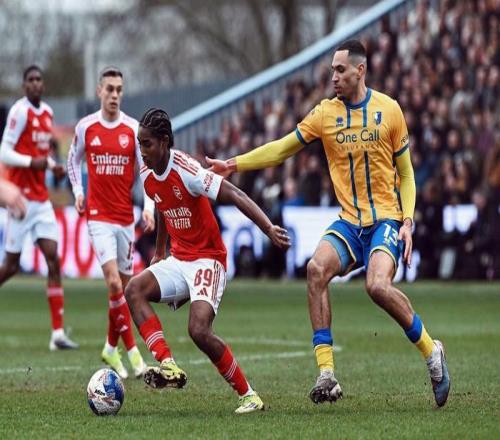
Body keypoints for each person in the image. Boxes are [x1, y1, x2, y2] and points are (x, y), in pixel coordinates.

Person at [206, 40, 450, 407]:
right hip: (349, 222)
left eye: (340, 70)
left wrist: (407, 220)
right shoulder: (325, 114)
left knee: (377, 286)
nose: (333, 77)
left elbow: (406, 174)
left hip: (385, 219)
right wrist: (233, 164)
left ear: (360, 71)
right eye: (332, 70)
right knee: (315, 269)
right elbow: (282, 148)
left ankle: (432, 352)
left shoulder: (389, 110)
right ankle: (326, 374)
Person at [124, 108, 290, 414]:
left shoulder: (188, 171)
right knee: (134, 289)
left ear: (164, 141)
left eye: (147, 144)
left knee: (199, 330)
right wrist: (159, 251)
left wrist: (268, 228)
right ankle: (168, 364)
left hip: (208, 261)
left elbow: (236, 194)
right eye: (139, 144)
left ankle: (249, 395)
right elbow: (162, 203)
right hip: (179, 259)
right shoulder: (147, 172)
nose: (141, 151)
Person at [67, 67, 154, 379]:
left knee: (124, 292)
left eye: (119, 89)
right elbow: (72, 160)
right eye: (110, 89)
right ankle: (134, 355)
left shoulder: (132, 129)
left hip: (125, 219)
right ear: (99, 91)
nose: (114, 94)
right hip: (98, 217)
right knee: (115, 284)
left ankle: (109, 346)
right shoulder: (86, 127)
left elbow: (146, 172)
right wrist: (78, 192)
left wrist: (148, 208)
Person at [0, 65, 78, 351]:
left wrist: (52, 166)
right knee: (10, 266)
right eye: (30, 80)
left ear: (43, 85)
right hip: (20, 199)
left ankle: (57, 334)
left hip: (41, 199)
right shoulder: (19, 112)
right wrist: (32, 163)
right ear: (24, 86)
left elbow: (41, 154)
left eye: (38, 79)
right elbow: (4, 152)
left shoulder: (47, 112)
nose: (35, 83)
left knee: (53, 259)